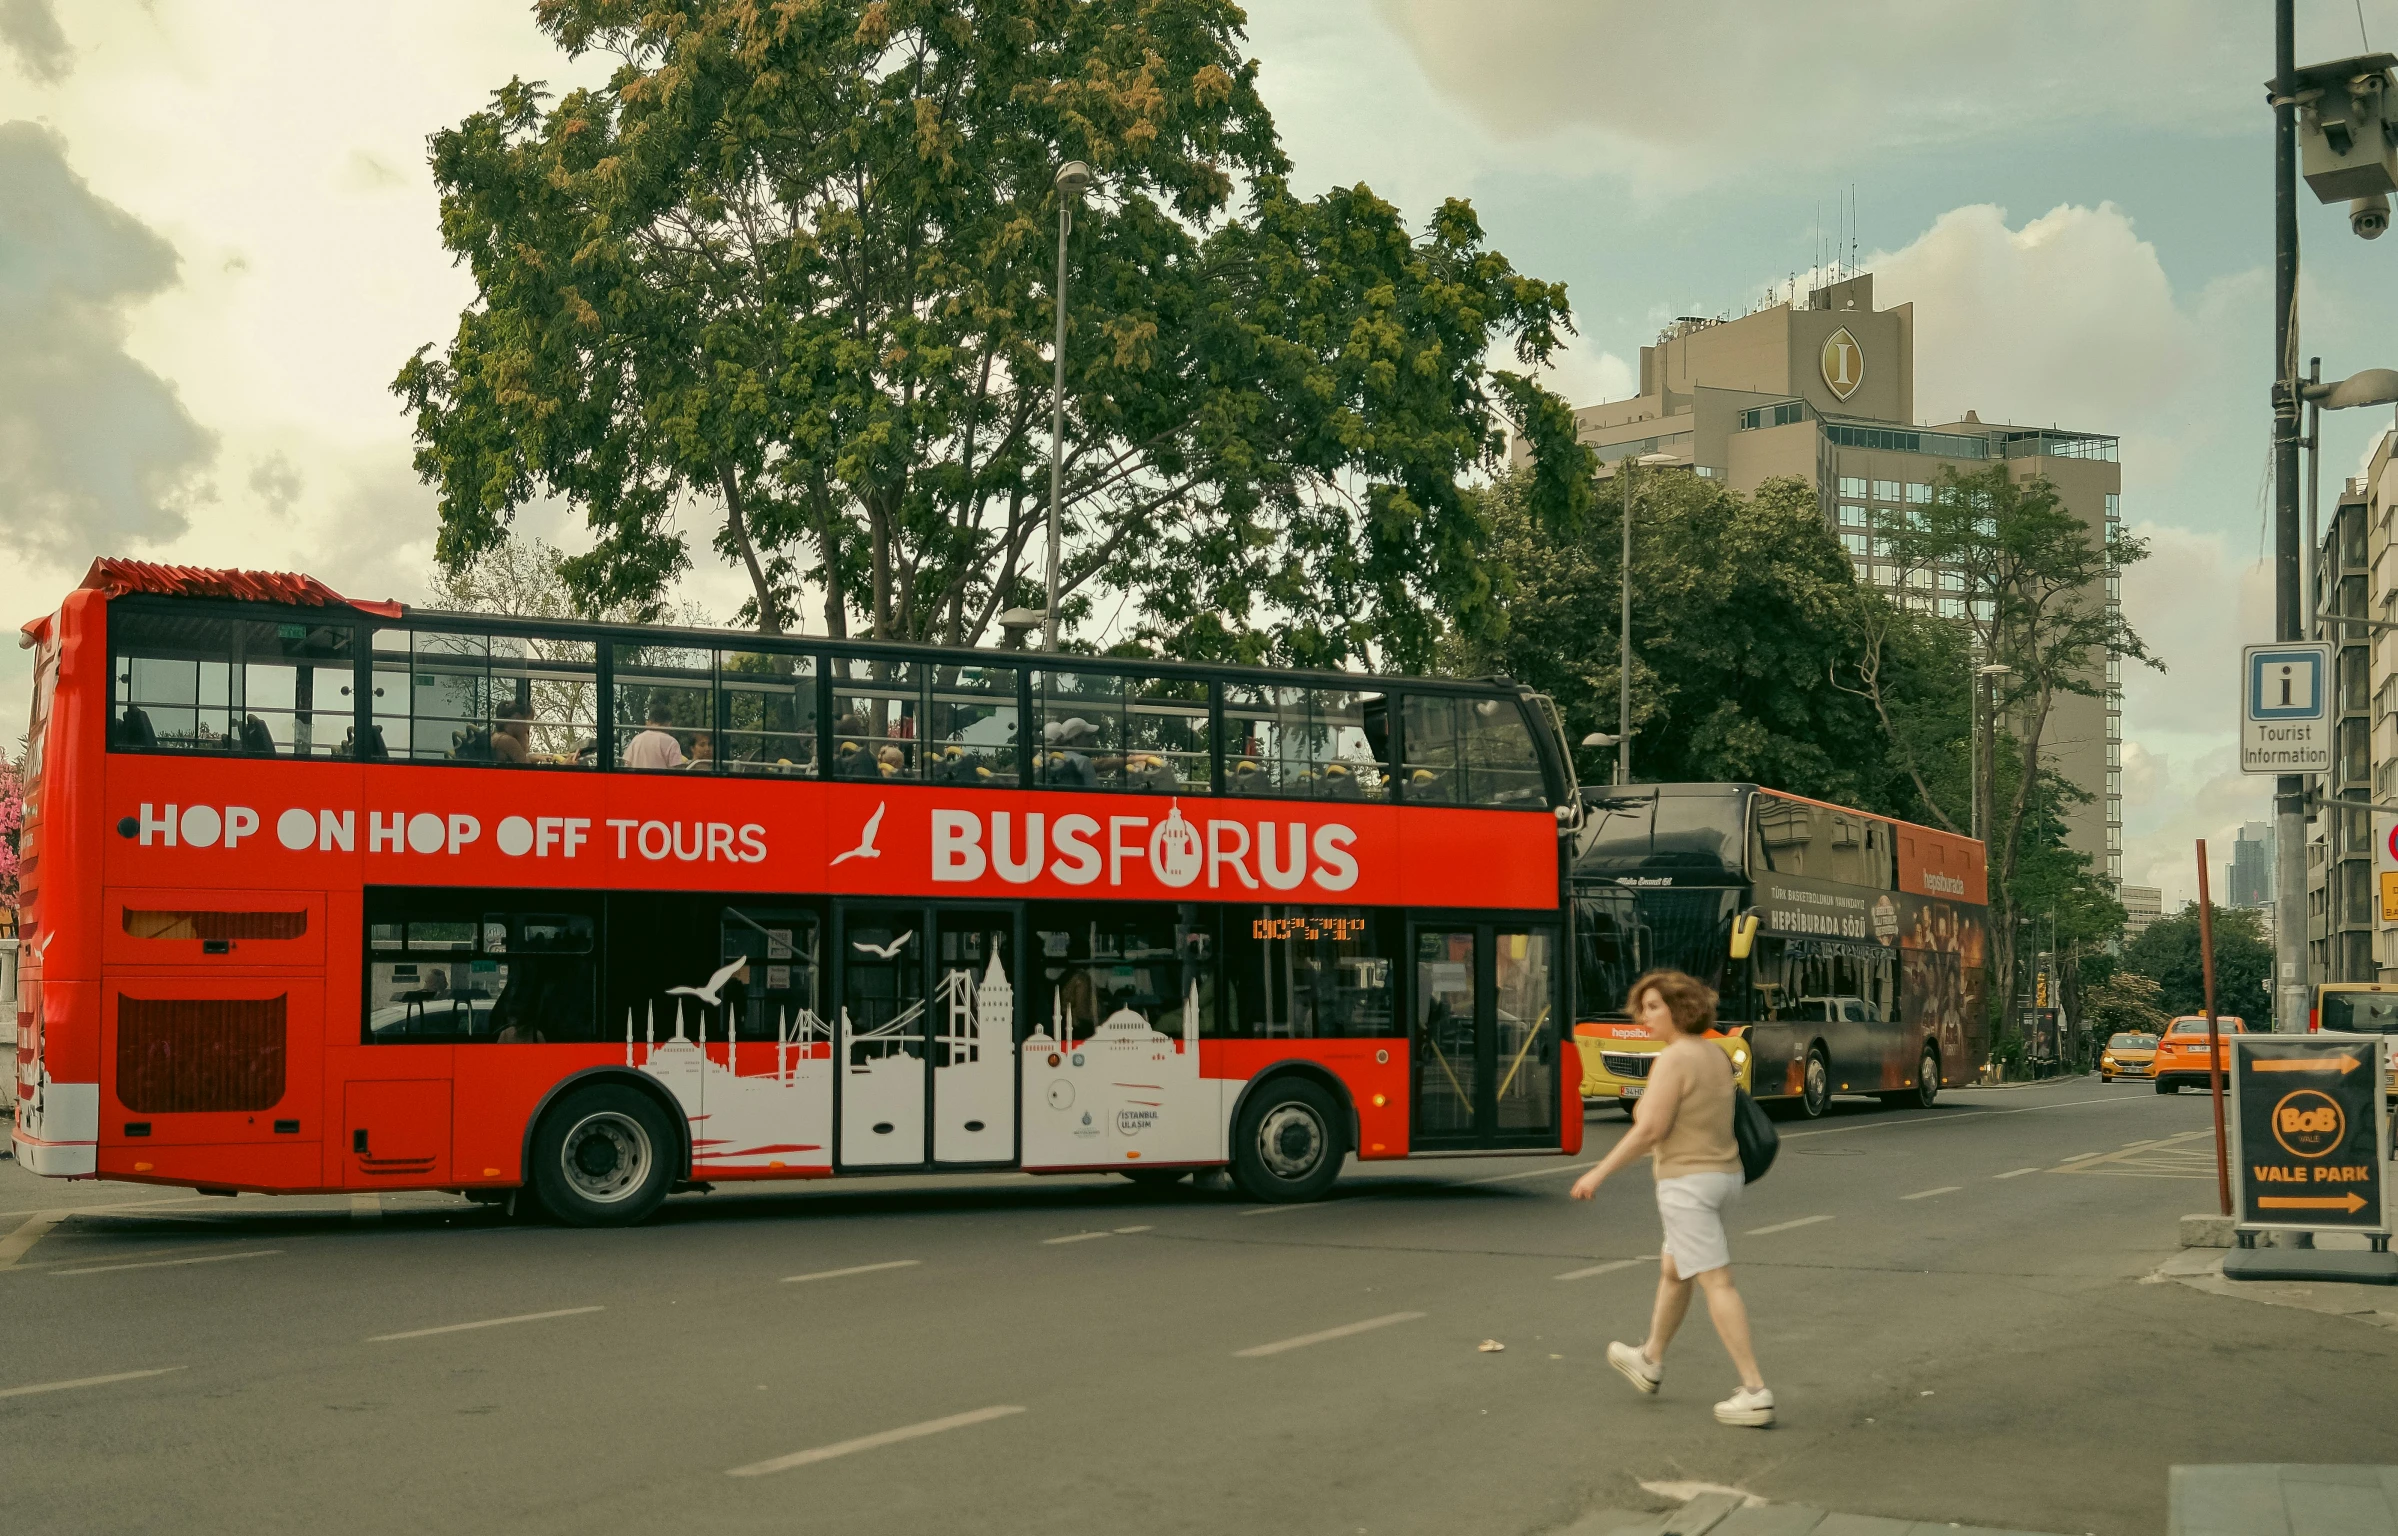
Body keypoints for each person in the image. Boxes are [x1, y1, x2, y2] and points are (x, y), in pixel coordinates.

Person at [1571, 968, 1773, 1428]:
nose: (1644, 1016)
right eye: (1642, 1008)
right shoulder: (1715, 1055)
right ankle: (1651, 1358)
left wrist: (1598, 1173)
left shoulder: (1675, 1059)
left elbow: (1650, 1130)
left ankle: (1756, 1390)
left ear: (1681, 1008)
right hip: (1724, 1177)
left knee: (1716, 1281)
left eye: (1654, 1007)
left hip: (1688, 1184)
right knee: (1675, 1266)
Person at [622, 698, 686, 770]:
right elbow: (676, 771)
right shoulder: (672, 742)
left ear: (649, 721)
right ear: (669, 724)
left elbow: (627, 765)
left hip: (637, 780)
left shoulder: (637, 739)